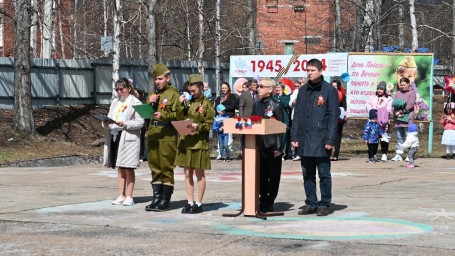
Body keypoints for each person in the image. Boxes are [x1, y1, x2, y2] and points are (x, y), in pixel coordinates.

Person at [291, 58, 339, 217]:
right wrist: (294, 136)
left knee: (324, 174)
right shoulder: (303, 90)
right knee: (307, 174)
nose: (309, 73)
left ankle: (325, 203)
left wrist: (331, 139)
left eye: (312, 70)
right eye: (308, 70)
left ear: (320, 71)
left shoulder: (329, 90)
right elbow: (297, 115)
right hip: (305, 139)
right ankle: (311, 202)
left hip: (321, 138)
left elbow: (333, 116)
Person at [145, 64, 183, 212]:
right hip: (153, 133)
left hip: (167, 134)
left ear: (167, 78)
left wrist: (164, 115)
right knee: (154, 167)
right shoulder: (154, 94)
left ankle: (165, 200)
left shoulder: (173, 94)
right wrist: (150, 103)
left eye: (160, 79)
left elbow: (179, 116)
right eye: (155, 79)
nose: (157, 82)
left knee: (166, 167)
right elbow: (146, 112)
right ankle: (156, 198)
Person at [175, 74, 215, 214]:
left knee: (199, 173)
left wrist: (197, 126)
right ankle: (190, 201)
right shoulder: (188, 103)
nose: (192, 93)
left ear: (201, 88)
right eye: (190, 91)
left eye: (194, 91)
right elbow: (179, 117)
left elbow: (209, 124)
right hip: (186, 141)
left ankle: (198, 203)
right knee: (187, 173)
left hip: (199, 142)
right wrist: (180, 104)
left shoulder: (207, 104)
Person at [103, 78, 144, 206]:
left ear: (129, 89)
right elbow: (110, 116)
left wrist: (125, 123)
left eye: (122, 89)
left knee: (128, 167)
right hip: (115, 135)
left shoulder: (136, 102)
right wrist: (105, 123)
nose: (119, 92)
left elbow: (140, 122)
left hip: (129, 137)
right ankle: (121, 195)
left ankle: (129, 196)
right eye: (117, 89)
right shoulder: (115, 102)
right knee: (120, 166)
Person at [252, 77, 285, 213]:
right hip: (260, 145)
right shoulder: (257, 104)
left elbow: (282, 128)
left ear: (270, 89)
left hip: (272, 145)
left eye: (262, 86)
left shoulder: (276, 105)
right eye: (258, 86)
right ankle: (262, 198)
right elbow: (253, 123)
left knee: (273, 175)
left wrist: (279, 148)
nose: (258, 88)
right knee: (261, 175)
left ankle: (270, 200)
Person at [391, 77, 416, 162]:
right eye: (401, 85)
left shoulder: (412, 93)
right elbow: (394, 104)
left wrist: (402, 112)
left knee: (409, 137)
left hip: (408, 118)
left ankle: (410, 155)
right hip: (398, 118)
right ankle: (398, 154)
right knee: (399, 137)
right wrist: (395, 113)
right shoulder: (397, 93)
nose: (402, 86)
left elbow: (410, 104)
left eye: (404, 85)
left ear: (408, 84)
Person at [366, 81, 393, 161]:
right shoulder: (372, 97)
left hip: (383, 121)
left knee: (383, 137)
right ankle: (373, 154)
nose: (379, 90)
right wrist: (371, 110)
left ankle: (384, 154)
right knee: (373, 137)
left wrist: (380, 111)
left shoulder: (388, 98)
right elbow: (368, 104)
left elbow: (389, 108)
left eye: (381, 89)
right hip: (373, 120)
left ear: (384, 90)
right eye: (378, 89)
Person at [215, 82, 239, 160]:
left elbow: (233, 106)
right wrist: (220, 103)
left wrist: (223, 105)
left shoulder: (233, 97)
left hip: (229, 118)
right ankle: (220, 154)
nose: (224, 89)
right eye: (223, 88)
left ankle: (229, 154)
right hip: (220, 119)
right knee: (220, 137)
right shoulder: (219, 98)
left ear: (228, 88)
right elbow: (216, 107)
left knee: (228, 137)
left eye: (225, 88)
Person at [289, 78, 307, 161]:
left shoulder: (309, 91)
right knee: (296, 134)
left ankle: (304, 152)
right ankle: (297, 153)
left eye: (302, 83)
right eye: (300, 83)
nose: (301, 84)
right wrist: (294, 102)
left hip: (306, 117)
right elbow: (290, 103)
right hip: (296, 116)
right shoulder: (296, 92)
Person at [273, 82, 291, 160]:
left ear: (282, 89)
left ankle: (283, 153)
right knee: (276, 138)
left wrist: (280, 97)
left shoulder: (286, 97)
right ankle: (276, 152)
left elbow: (286, 105)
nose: (277, 89)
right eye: (276, 87)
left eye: (279, 88)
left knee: (283, 138)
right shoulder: (273, 97)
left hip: (284, 119)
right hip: (275, 119)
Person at [329, 80, 347, 161]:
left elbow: (344, 107)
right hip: (329, 119)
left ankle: (336, 155)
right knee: (329, 136)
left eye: (335, 86)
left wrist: (344, 116)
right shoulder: (327, 95)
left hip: (339, 119)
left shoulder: (342, 96)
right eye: (332, 86)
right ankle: (328, 154)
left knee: (337, 137)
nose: (334, 88)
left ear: (338, 87)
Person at [134, 88, 149, 161]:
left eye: (137, 93)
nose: (135, 95)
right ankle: (140, 155)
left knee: (141, 140)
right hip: (134, 123)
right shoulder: (132, 102)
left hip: (142, 124)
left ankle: (143, 155)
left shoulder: (143, 102)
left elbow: (147, 114)